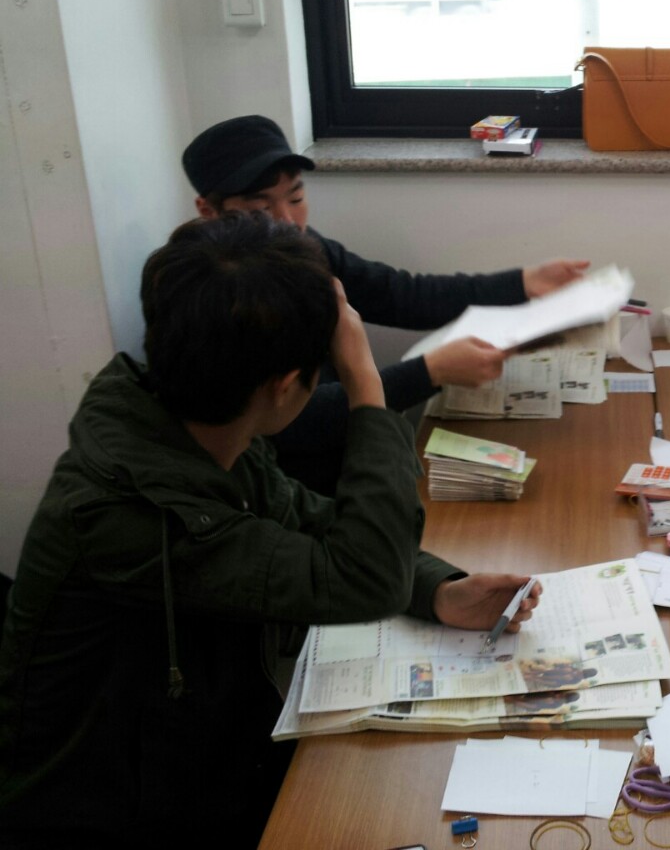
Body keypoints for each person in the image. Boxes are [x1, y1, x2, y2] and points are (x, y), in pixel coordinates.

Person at [0, 213, 541, 848]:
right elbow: (362, 579)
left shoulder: (192, 426)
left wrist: (439, 590)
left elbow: (312, 523)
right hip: (112, 817)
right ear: (286, 387)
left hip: (203, 757)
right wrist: (366, 386)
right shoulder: (132, 511)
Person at [181, 114, 589, 494]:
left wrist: (522, 283)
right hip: (297, 491)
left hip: (355, 454)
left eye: (296, 197)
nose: (287, 221)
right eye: (260, 210)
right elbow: (287, 423)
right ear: (207, 211)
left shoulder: (305, 250)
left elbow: (400, 294)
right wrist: (429, 372)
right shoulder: (211, 301)